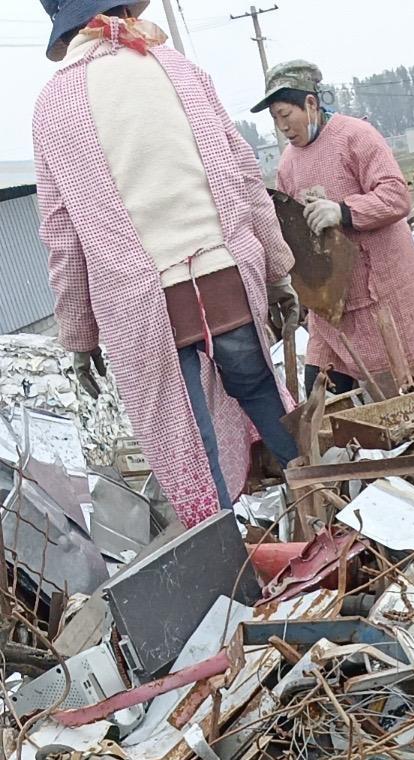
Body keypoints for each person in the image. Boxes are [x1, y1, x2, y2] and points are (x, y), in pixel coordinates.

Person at [33, 0, 301, 528]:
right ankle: (330, 498)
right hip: (227, 276)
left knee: (189, 439)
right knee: (262, 391)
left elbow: (62, 239)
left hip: (142, 302)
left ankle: (225, 556)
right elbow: (246, 175)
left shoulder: (54, 105)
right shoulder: (176, 68)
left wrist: (81, 337)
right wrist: (276, 270)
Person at [252, 61, 414, 397]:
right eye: (275, 119)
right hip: (330, 297)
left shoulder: (356, 137)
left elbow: (396, 195)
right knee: (320, 389)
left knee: (399, 386)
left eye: (285, 114)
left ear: (310, 104)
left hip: (380, 287)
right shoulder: (289, 162)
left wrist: (343, 211)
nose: (282, 126)